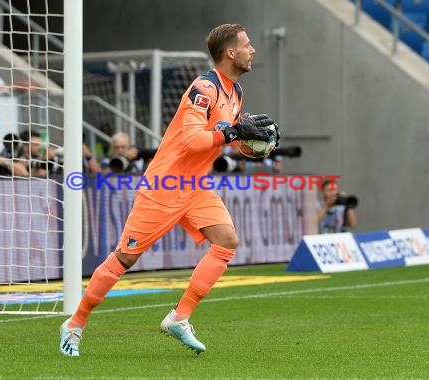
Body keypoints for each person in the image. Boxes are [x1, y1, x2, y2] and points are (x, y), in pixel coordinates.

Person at [59, 23, 279, 357]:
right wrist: (234, 134)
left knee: (227, 242)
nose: (253, 51)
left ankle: (179, 317)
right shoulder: (203, 88)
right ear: (230, 53)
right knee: (126, 257)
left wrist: (252, 145)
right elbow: (192, 142)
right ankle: (74, 324)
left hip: (194, 186)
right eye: (248, 45)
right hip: (164, 185)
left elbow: (221, 139)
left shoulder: (235, 92)